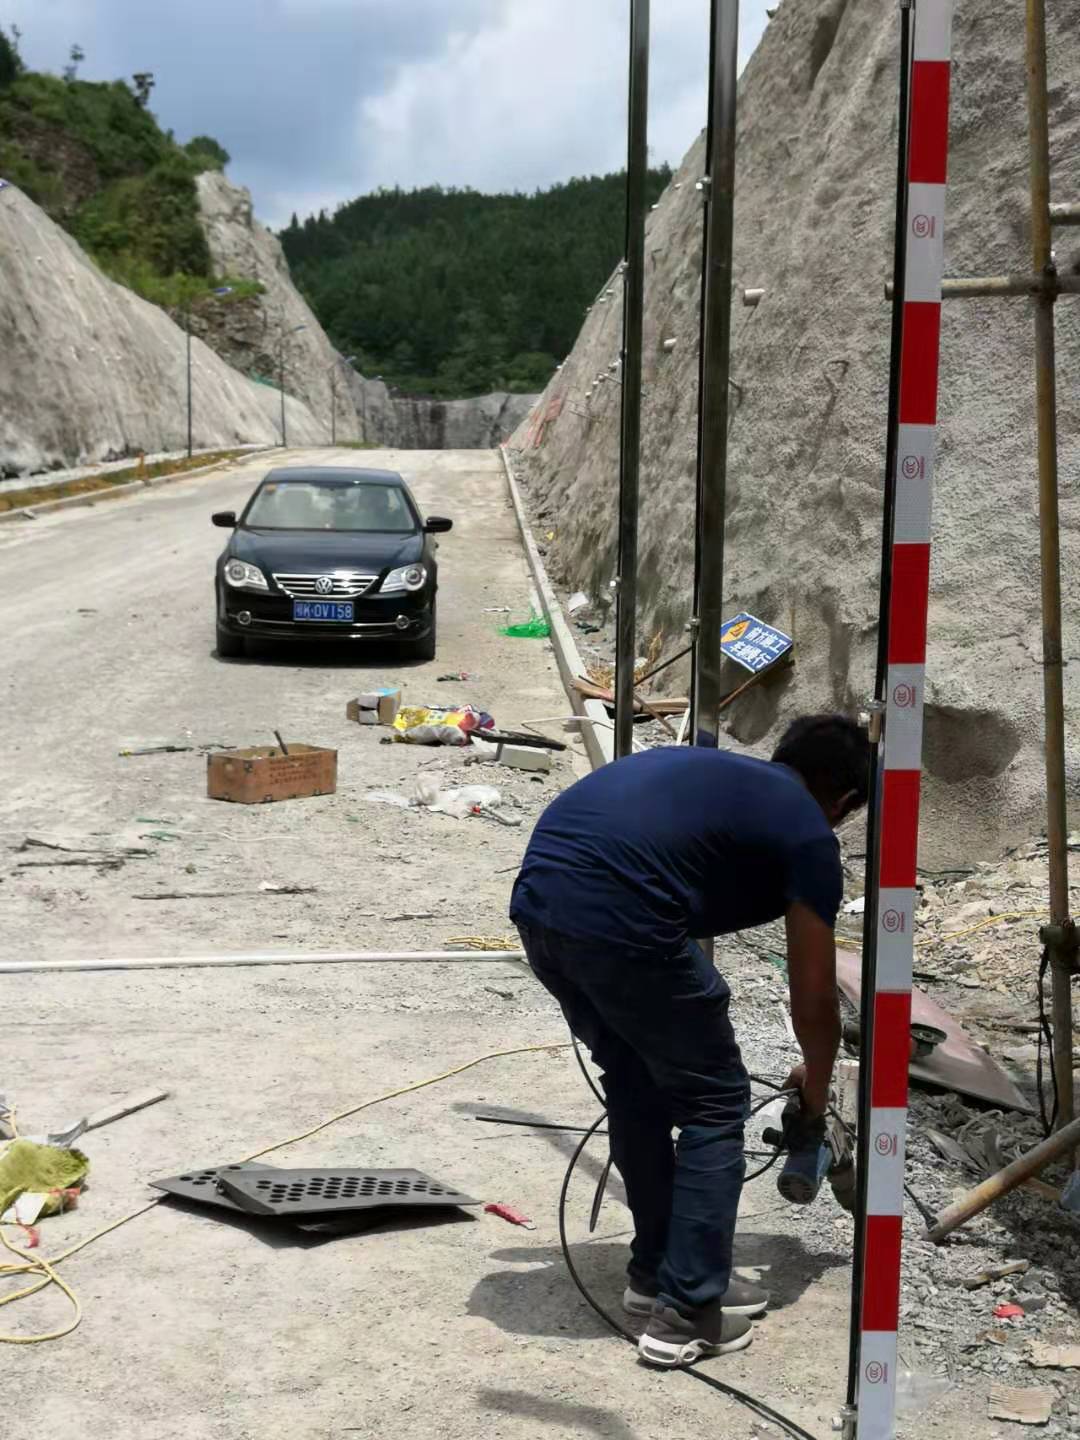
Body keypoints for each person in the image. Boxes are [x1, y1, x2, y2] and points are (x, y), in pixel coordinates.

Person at [510, 714, 870, 1367]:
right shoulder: (808, 829)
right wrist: (817, 1088)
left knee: (638, 1084)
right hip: (619, 914)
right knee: (714, 1101)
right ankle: (688, 1311)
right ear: (842, 799)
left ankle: (655, 1276)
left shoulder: (724, 782)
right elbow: (813, 992)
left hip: (540, 907)